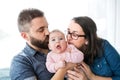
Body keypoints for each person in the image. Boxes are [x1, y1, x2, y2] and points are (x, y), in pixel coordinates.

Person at [51, 16, 120, 80]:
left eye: (75, 35)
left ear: (87, 40)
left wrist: (93, 77)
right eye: (68, 32)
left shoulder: (104, 46)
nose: (68, 38)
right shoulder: (61, 51)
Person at [10, 8, 54, 80]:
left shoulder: (58, 48)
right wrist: (63, 69)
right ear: (25, 36)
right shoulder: (20, 62)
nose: (48, 32)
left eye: (47, 27)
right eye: (41, 30)